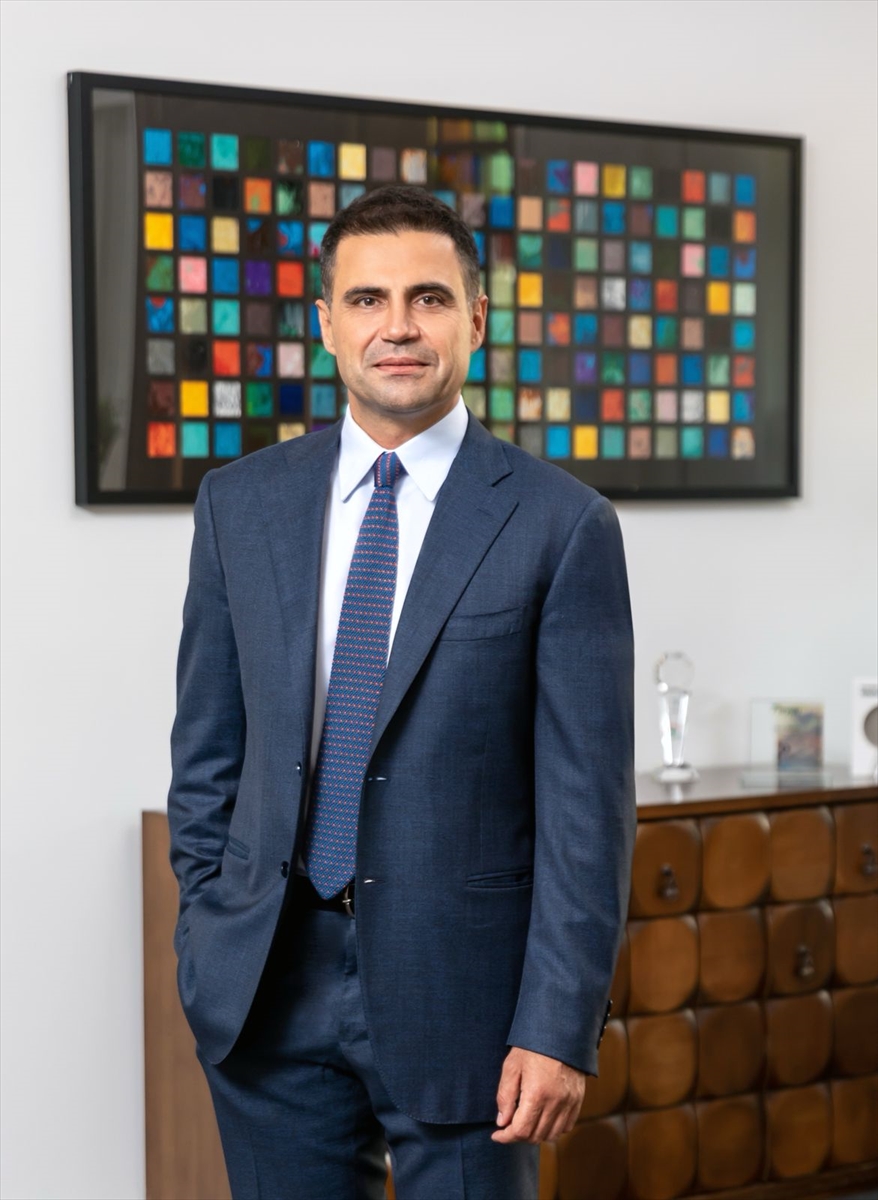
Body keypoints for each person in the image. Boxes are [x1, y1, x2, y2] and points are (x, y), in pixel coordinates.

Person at [168, 184, 635, 1200]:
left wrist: (559, 1026)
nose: (398, 327)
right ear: (326, 322)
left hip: (467, 1005)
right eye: (368, 299)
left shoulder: (561, 526)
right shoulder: (239, 505)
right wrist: (207, 927)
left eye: (428, 298)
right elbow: (207, 751)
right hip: (264, 986)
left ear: (475, 318)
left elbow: (585, 813)